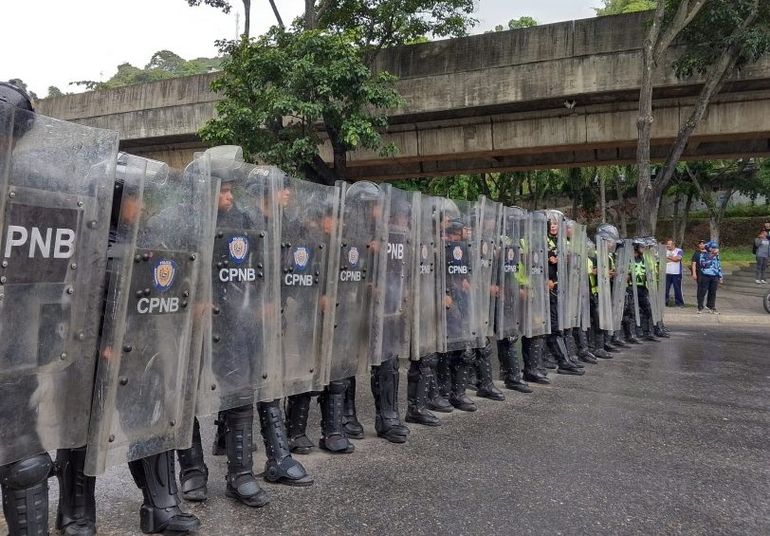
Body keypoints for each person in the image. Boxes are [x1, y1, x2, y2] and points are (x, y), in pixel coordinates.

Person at [697, 241, 724, 314]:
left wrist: (720, 276)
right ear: (709, 248)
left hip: (714, 276)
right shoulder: (703, 254)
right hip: (705, 275)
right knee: (702, 291)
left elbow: (718, 265)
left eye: (715, 248)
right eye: (713, 247)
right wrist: (712, 255)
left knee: (713, 292)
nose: (714, 249)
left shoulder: (717, 255)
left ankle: (711, 307)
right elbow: (703, 265)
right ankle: (700, 307)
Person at [665, 239, 685, 306]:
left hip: (676, 273)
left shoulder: (679, 250)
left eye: (669, 244)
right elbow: (662, 260)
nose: (667, 245)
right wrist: (673, 258)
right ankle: (665, 302)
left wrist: (668, 257)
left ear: (673, 245)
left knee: (677, 288)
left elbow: (678, 259)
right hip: (667, 273)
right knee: (665, 288)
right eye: (667, 244)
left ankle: (679, 303)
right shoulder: (665, 251)